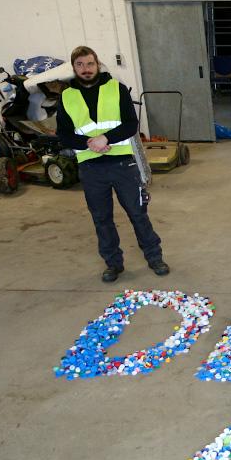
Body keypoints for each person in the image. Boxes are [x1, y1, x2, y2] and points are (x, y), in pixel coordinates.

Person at [57, 46, 169, 283]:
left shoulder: (116, 89)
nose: (86, 69)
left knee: (138, 213)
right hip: (90, 167)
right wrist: (90, 143)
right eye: (80, 65)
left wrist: (105, 139)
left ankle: (154, 257)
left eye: (89, 64)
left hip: (122, 164)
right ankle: (113, 264)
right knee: (102, 218)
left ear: (97, 64)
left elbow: (131, 124)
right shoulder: (66, 96)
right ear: (74, 67)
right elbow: (64, 134)